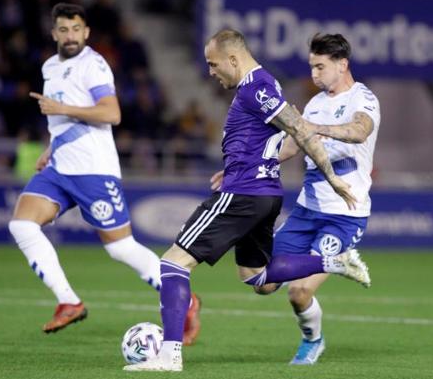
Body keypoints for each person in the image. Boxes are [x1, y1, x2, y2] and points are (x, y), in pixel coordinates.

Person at [124, 29, 369, 372]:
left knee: (172, 264)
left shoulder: (257, 87)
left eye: (213, 64)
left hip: (244, 194)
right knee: (256, 276)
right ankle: (333, 263)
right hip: (261, 192)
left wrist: (331, 176)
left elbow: (299, 130)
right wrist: (238, 166)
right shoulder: (258, 87)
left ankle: (168, 356)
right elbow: (272, 140)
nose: (211, 71)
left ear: (234, 60)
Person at [7, 3, 201, 343]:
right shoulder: (50, 66)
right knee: (21, 224)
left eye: (76, 29)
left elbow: (111, 113)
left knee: (121, 248)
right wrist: (52, 148)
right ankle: (68, 301)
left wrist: (60, 108)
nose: (70, 36)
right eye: (64, 30)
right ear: (54, 33)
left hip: (93, 170)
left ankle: (184, 298)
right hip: (60, 168)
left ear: (87, 32)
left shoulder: (93, 65)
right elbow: (66, 120)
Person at [258, 33, 381, 365]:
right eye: (311, 66)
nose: (314, 74)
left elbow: (358, 131)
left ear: (342, 64)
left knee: (299, 291)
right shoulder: (315, 103)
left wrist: (315, 127)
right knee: (263, 281)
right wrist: (251, 166)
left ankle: (312, 341)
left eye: (320, 66)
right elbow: (293, 144)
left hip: (344, 216)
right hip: (305, 212)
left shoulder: (363, 99)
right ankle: (332, 266)